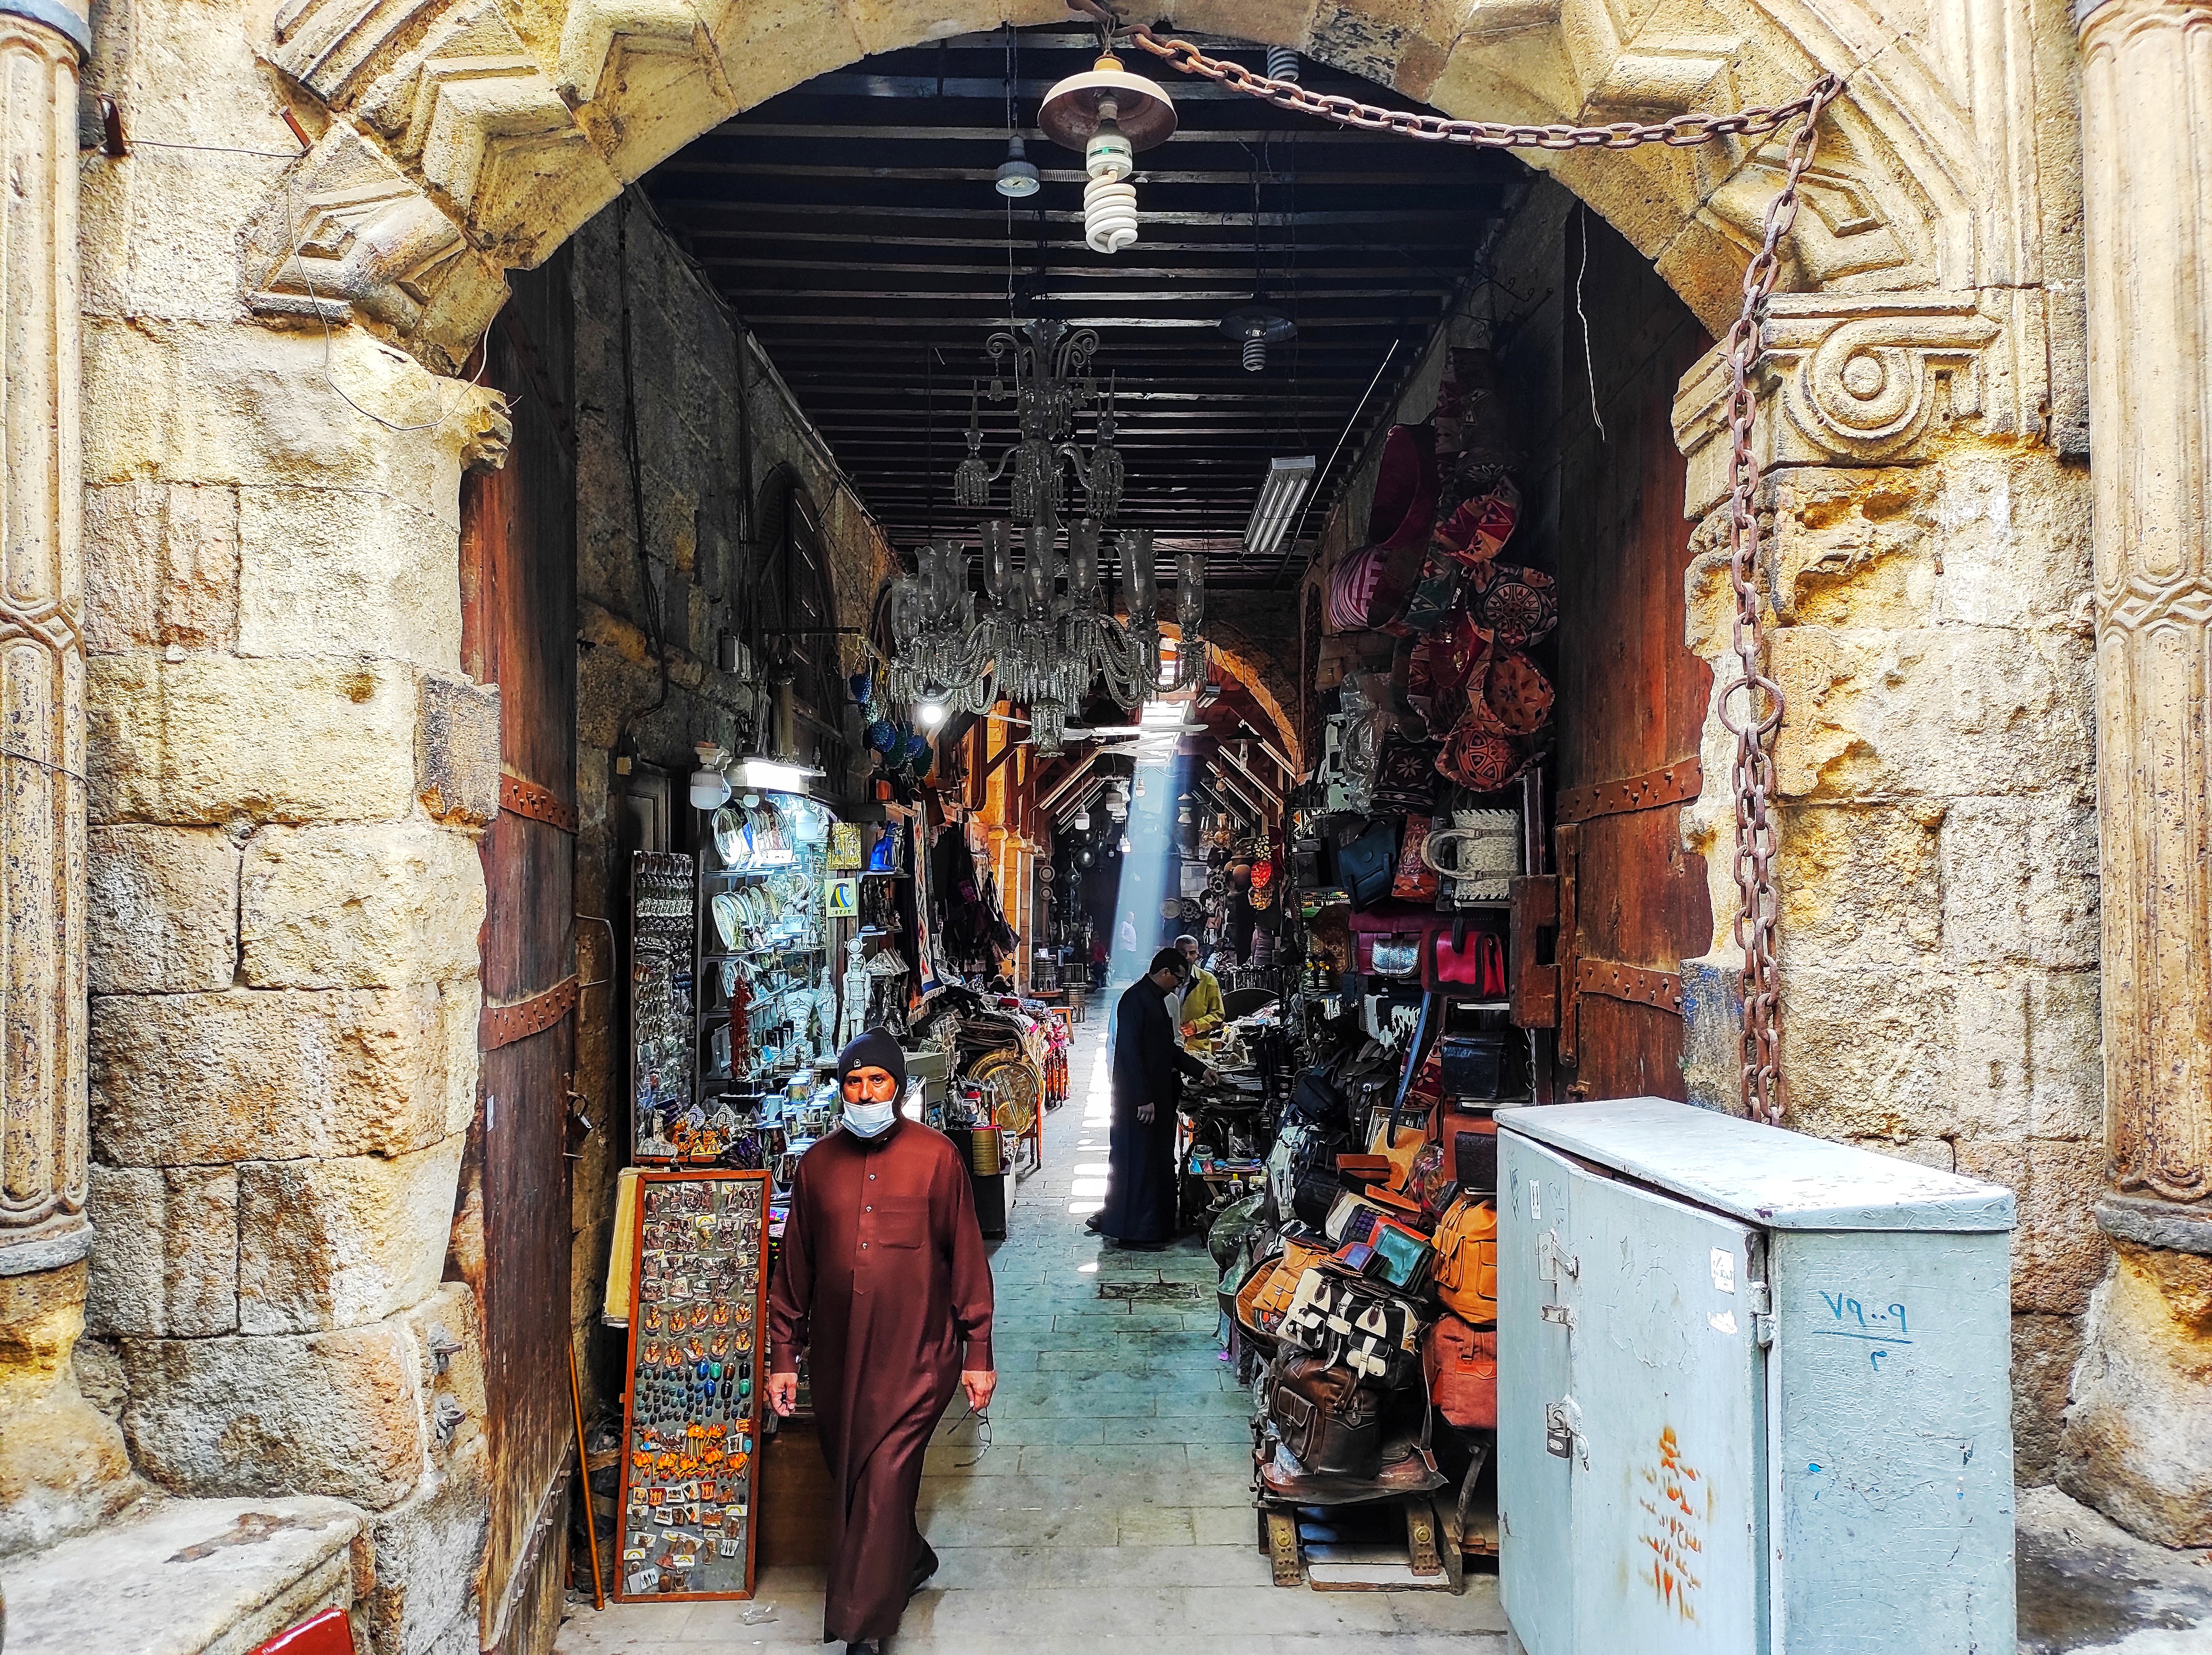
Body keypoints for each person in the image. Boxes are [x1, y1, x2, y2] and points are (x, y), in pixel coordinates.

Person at [767, 1030, 996, 1655]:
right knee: (855, 1477)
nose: (865, 1094)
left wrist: (978, 1353)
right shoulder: (817, 1167)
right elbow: (795, 1274)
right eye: (855, 1083)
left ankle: (863, 1627)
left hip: (919, 1357)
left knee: (888, 1474)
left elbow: (969, 1258)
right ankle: (912, 1559)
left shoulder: (938, 1158)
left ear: (899, 1088)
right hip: (840, 1361)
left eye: (879, 1083)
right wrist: (784, 1356)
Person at [1091, 947, 1208, 1248]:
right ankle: (1134, 1231)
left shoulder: (1156, 1001)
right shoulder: (1134, 1000)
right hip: (1138, 1100)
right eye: (1178, 980)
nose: (1179, 986)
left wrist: (1200, 1070)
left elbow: (1166, 1049)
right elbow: (1128, 1052)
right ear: (1165, 972)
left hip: (1156, 1096)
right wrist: (1143, 1098)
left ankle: (1155, 1228)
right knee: (1136, 1164)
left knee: (1154, 1162)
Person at [1172, 933, 1225, 1051]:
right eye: (1182, 952)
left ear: (1198, 954)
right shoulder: (1165, 979)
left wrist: (1196, 1025)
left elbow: (1218, 1014)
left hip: (1197, 1048)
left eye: (1192, 953)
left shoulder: (1208, 980)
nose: (1187, 957)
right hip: (1167, 1047)